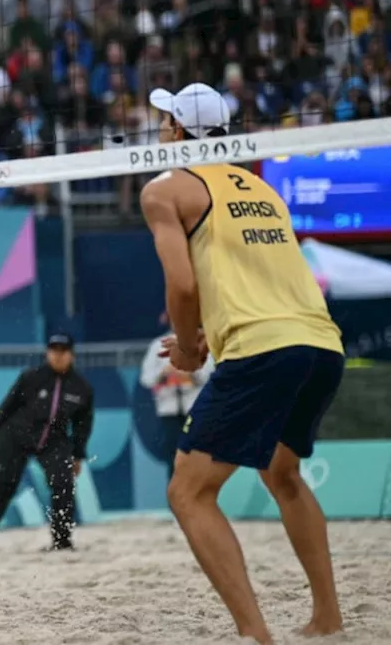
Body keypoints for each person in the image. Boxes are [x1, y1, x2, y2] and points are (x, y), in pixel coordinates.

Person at [141, 82, 346, 644]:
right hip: (322, 344)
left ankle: (257, 635)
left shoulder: (165, 189)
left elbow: (181, 285)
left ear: (179, 133)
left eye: (165, 121)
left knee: (187, 491)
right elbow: (244, 277)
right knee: (283, 473)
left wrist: (187, 344)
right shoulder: (261, 188)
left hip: (264, 350)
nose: (159, 129)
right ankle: (328, 618)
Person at [0, 333, 95, 553]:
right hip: (16, 437)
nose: (58, 356)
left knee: (63, 482)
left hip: (54, 440)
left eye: (63, 351)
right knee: (2, 485)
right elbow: (9, 404)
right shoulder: (32, 377)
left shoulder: (82, 388)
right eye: (53, 350)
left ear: (71, 354)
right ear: (47, 353)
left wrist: (78, 454)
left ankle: (62, 541)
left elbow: (83, 425)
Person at [139, 311, 214, 479]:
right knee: (173, 456)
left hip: (194, 409)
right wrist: (164, 373)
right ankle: (175, 500)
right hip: (169, 410)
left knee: (197, 454)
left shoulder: (200, 343)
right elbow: (146, 378)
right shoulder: (158, 345)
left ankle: (197, 496)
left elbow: (210, 374)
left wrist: (190, 372)